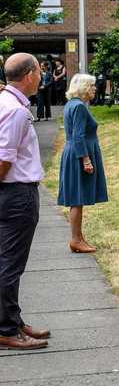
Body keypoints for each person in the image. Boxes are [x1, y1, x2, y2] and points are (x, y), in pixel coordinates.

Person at [0, 53, 51, 349]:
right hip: (16, 194)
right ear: (31, 74)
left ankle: (13, 320)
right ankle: (7, 328)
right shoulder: (15, 111)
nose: (41, 77)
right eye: (39, 71)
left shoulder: (7, 103)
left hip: (13, 192)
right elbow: (4, 159)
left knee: (8, 263)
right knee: (10, 265)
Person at [57, 74, 108, 254]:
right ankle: (76, 240)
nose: (95, 89)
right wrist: (86, 160)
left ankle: (78, 238)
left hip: (74, 152)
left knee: (76, 198)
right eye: (92, 86)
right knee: (77, 199)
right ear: (84, 87)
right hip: (79, 154)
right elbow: (78, 135)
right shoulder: (78, 106)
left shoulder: (72, 104)